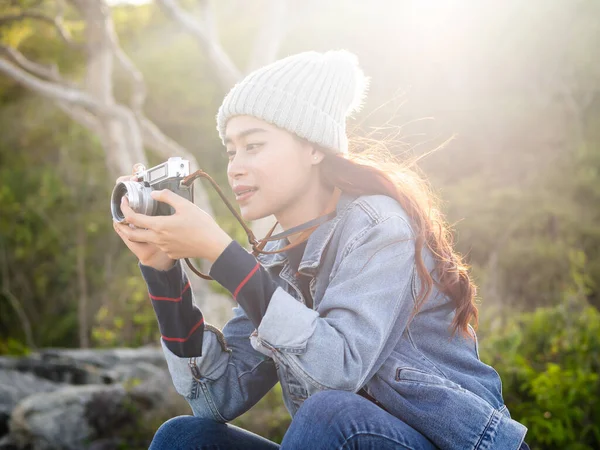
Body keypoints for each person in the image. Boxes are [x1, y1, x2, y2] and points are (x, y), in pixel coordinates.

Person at [113, 50, 530, 450]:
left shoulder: (379, 226)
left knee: (328, 413)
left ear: (314, 146)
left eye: (253, 145)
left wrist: (222, 254)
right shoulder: (274, 255)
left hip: (446, 443)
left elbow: (338, 373)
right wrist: (161, 270)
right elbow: (214, 398)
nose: (235, 166)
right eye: (231, 150)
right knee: (183, 438)